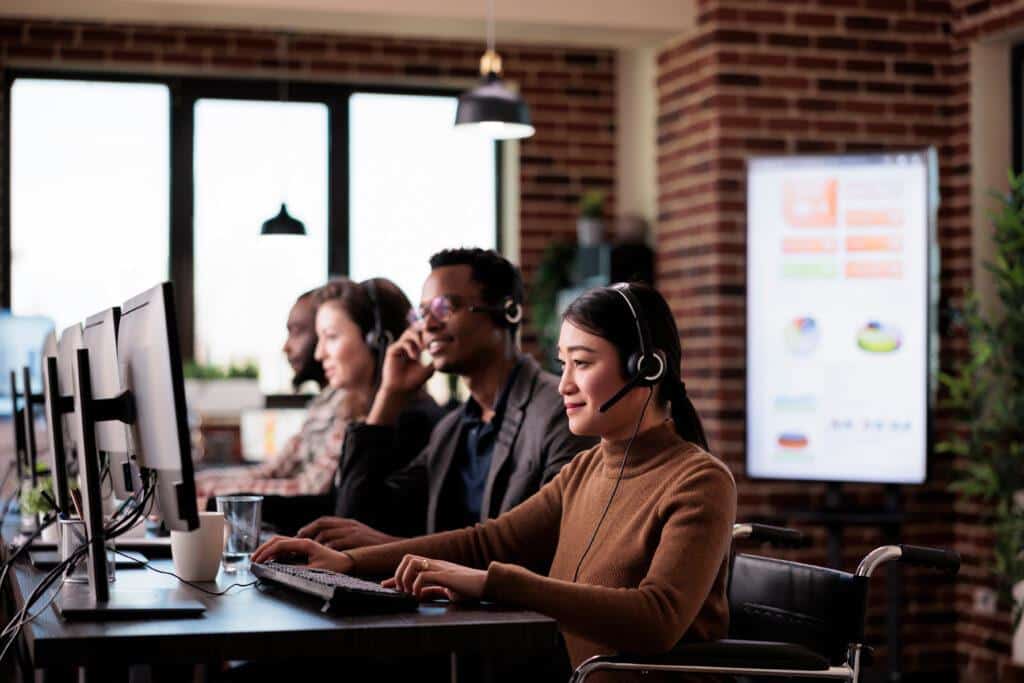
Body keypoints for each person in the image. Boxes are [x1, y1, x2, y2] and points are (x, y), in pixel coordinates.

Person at [254, 282, 737, 680]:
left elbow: (656, 619)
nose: (565, 384)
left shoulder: (699, 482)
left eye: (583, 364)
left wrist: (495, 583)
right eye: (563, 364)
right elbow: (491, 539)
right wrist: (347, 561)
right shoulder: (587, 469)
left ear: (645, 368)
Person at [297, 248, 594, 549]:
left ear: (507, 311)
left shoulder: (560, 412)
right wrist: (388, 398)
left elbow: (545, 546)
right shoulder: (451, 431)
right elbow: (355, 520)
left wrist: (397, 549)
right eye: (423, 313)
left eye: (445, 308)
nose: (428, 326)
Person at [196, 279, 442, 530]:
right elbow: (333, 505)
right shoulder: (355, 408)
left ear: (376, 341)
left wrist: (219, 503)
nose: (319, 353)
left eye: (331, 337)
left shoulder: (414, 422)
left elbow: (350, 517)